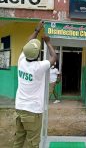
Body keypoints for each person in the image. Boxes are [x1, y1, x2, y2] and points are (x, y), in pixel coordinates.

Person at [13, 20, 57, 148]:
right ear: (38, 55)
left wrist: (37, 30)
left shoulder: (21, 60)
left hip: (20, 107)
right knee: (33, 143)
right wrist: (48, 42)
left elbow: (27, 45)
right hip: (32, 111)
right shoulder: (38, 67)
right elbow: (54, 58)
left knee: (19, 140)